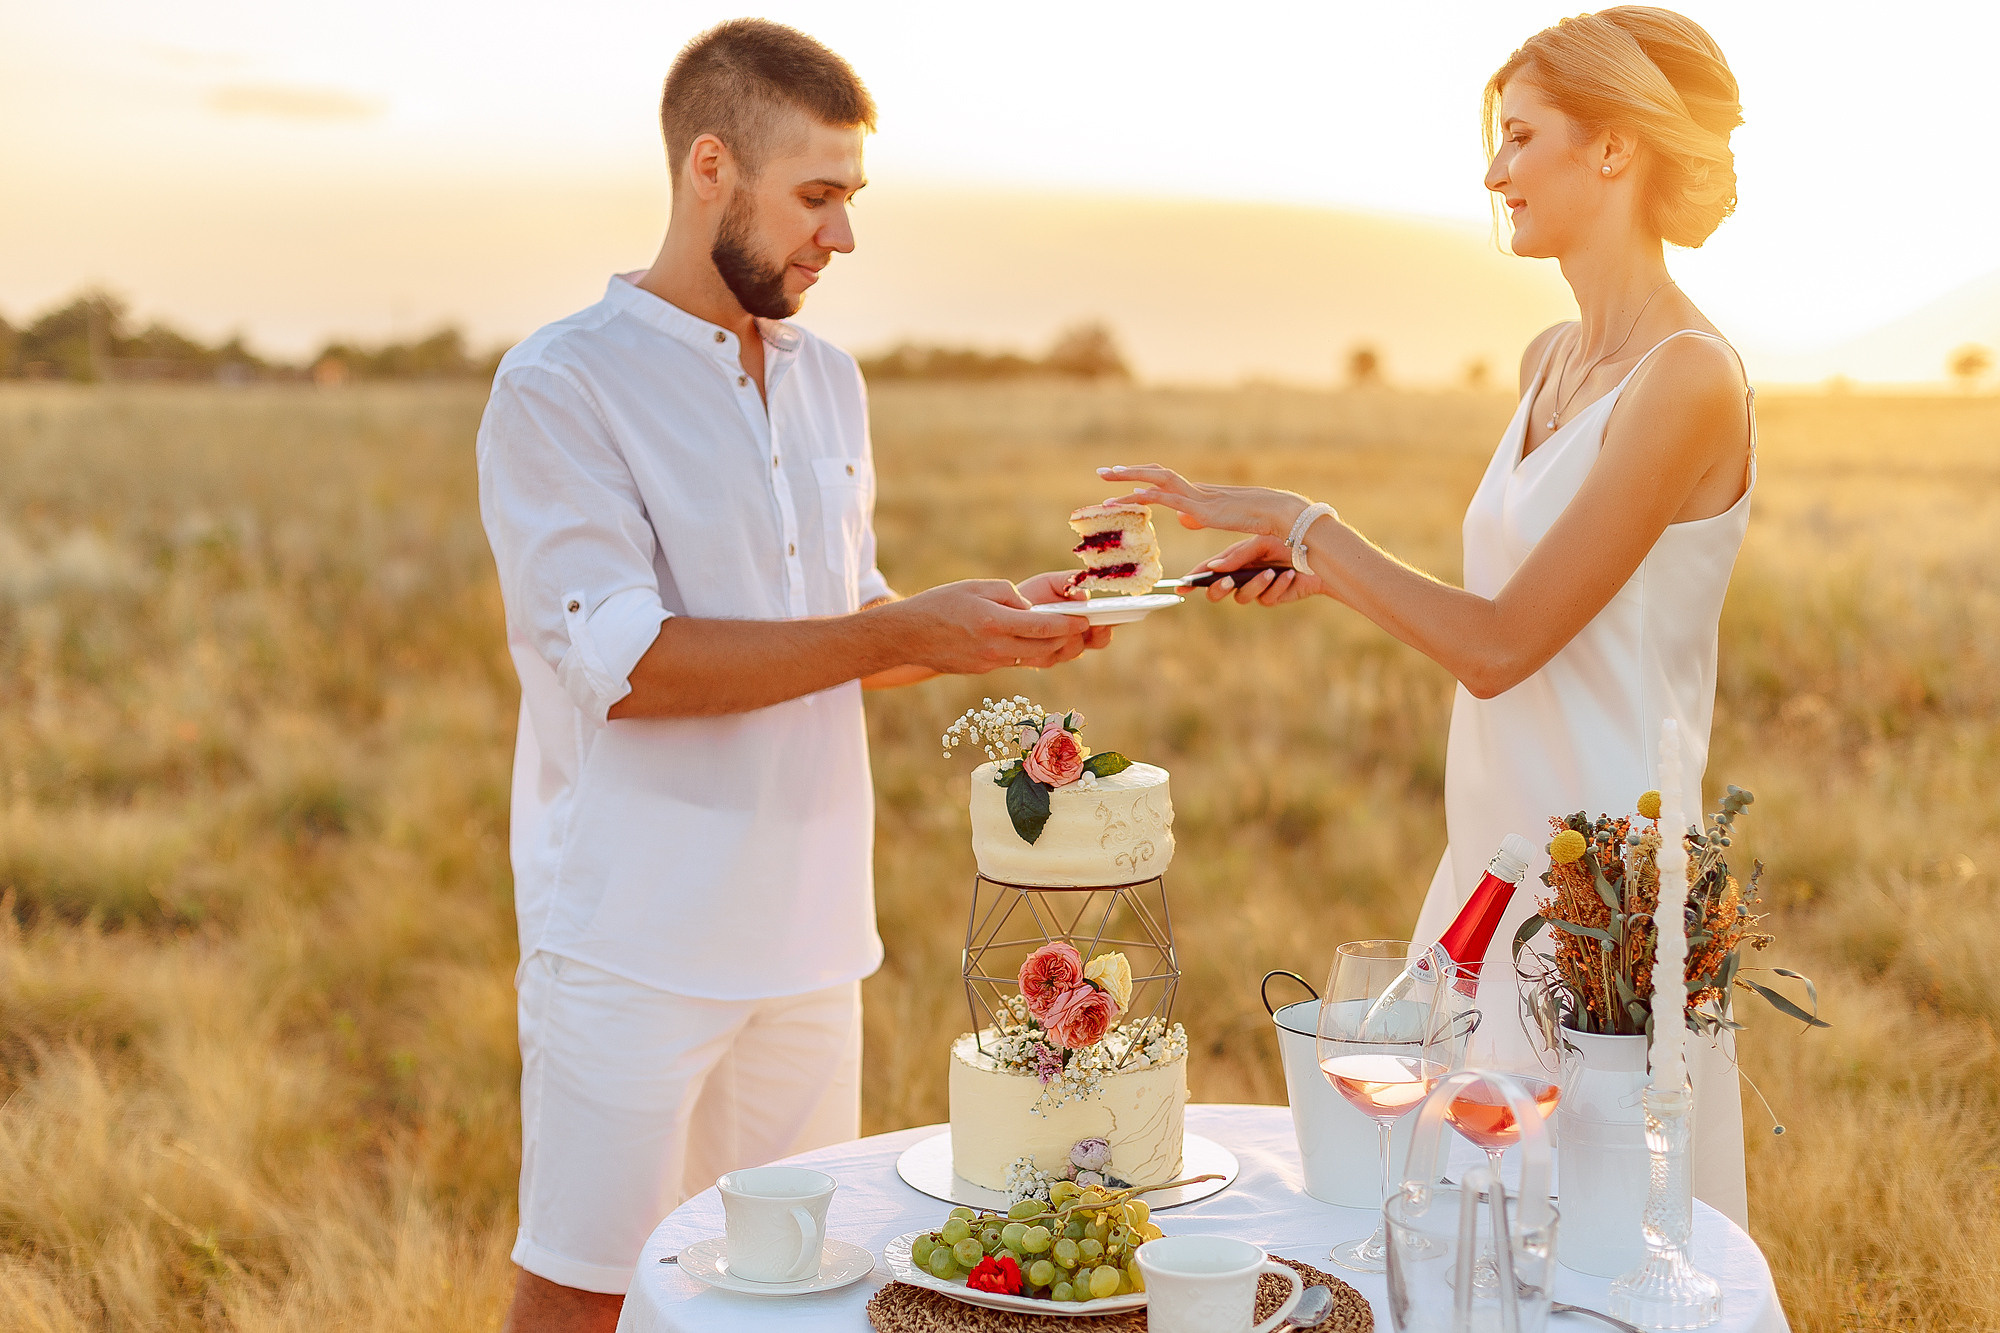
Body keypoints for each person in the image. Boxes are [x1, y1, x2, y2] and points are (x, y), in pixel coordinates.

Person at [476, 21, 1102, 1330]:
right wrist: (897, 631)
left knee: (790, 1299)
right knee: (584, 1295)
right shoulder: (559, 385)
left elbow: (838, 621)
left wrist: (979, 623)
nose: (845, 236)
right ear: (712, 167)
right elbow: (630, 666)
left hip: (816, 939)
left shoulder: (832, 382)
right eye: (818, 197)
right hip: (633, 940)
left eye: (853, 200)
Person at [1100, 6, 1753, 1224]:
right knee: (1449, 1234)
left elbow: (1499, 648)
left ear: (1613, 150)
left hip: (1598, 904)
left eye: (1518, 136)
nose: (1492, 169)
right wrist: (1325, 571)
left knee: (1594, 1248)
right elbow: (1508, 612)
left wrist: (1310, 526)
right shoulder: (1547, 358)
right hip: (1488, 866)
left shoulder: (1689, 378)